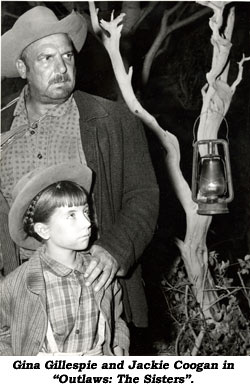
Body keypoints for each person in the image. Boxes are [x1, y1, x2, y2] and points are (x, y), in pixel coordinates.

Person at [0, 6, 159, 339]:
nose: (61, 68)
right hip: (24, 298)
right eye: (46, 59)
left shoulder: (113, 121)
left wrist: (115, 249)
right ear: (22, 68)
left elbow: (143, 195)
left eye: (67, 57)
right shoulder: (2, 129)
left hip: (97, 289)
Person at [0, 163, 129, 356]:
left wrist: (118, 344)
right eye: (71, 215)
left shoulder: (100, 271)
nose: (87, 223)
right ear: (43, 229)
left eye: (85, 212)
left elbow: (115, 316)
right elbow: (4, 333)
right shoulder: (17, 285)